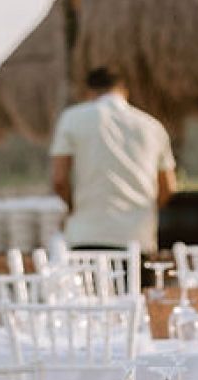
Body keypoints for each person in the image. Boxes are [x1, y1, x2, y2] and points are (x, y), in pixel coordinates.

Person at [49, 67, 176, 253]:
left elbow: (59, 180)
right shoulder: (152, 126)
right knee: (138, 284)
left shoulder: (72, 119)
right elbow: (169, 187)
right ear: (124, 91)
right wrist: (143, 211)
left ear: (89, 92)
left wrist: (72, 208)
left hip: (87, 233)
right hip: (137, 237)